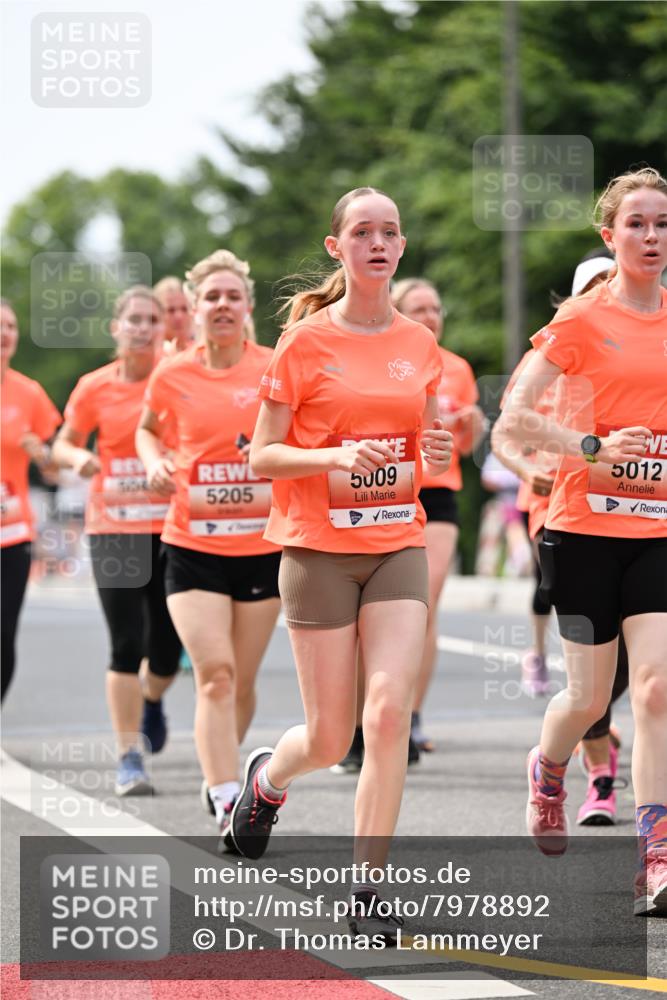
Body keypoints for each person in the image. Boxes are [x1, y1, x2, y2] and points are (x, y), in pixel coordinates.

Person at [229, 187, 453, 940]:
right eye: (363, 232)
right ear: (338, 248)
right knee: (330, 739)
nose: (378, 243)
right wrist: (331, 454)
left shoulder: (419, 346)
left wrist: (434, 453)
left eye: (390, 231)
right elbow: (261, 454)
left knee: (386, 714)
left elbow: (420, 441)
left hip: (395, 543)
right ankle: (267, 780)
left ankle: (368, 889)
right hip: (318, 551)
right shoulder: (305, 342)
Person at [497, 166, 667, 916]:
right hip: (583, 529)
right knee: (588, 696)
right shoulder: (579, 320)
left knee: (658, 690)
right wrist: (591, 444)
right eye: (636, 223)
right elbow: (513, 417)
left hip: (657, 528)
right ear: (608, 235)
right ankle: (548, 764)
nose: (651, 236)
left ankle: (656, 854)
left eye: (662, 224)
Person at [136, 250, 281, 846]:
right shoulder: (172, 374)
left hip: (262, 547)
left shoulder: (274, 368)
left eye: (232, 296)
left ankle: (221, 764)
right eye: (211, 298)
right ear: (194, 310)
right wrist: (154, 460)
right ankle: (227, 795)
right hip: (191, 544)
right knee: (214, 676)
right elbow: (147, 428)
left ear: (247, 306)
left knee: (241, 682)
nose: (222, 305)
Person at [493, 250, 631, 827]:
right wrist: (529, 470)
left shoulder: (641, 352)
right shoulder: (549, 358)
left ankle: (601, 744)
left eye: (612, 282)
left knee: (638, 673)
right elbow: (506, 430)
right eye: (595, 285)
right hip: (561, 518)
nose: (607, 292)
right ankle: (595, 772)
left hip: (639, 519)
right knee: (591, 680)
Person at [333, 278, 483, 767]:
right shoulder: (372, 357)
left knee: (425, 604)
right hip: (379, 490)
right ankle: (357, 723)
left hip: (435, 494)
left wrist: (471, 429)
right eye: (419, 307)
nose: (431, 315)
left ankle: (409, 715)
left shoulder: (456, 367)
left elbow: (454, 450)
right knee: (363, 620)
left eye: (437, 308)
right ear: (397, 309)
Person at [53, 286, 181, 795]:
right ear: (117, 328)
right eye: (134, 319)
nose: (144, 327)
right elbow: (63, 439)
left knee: (169, 651)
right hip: (116, 529)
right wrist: (75, 458)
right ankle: (129, 756)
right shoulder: (94, 387)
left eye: (153, 319)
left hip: (173, 526)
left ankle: (152, 698)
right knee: (126, 643)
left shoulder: (177, 380)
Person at [1, 299, 61, 702]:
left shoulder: (29, 393)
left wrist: (40, 453)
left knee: (3, 637)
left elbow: (54, 470)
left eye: (11, 327)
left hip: (12, 534)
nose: (5, 333)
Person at [153, 277, 194, 355]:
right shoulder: (146, 358)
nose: (179, 316)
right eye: (171, 310)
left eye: (184, 309)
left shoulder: (204, 354)